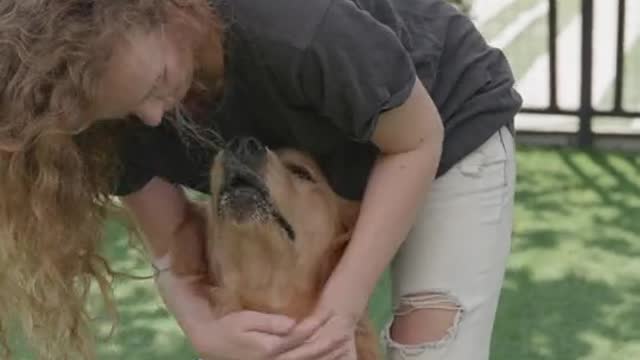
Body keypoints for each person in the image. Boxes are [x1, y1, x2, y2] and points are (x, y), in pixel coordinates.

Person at [0, 0, 521, 359]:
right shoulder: (114, 115)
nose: (157, 117)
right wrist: (202, 328)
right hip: (311, 162)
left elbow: (416, 139)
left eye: (157, 85)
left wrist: (343, 304)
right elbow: (177, 245)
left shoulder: (288, 22)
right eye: (127, 109)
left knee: (428, 342)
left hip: (439, 123)